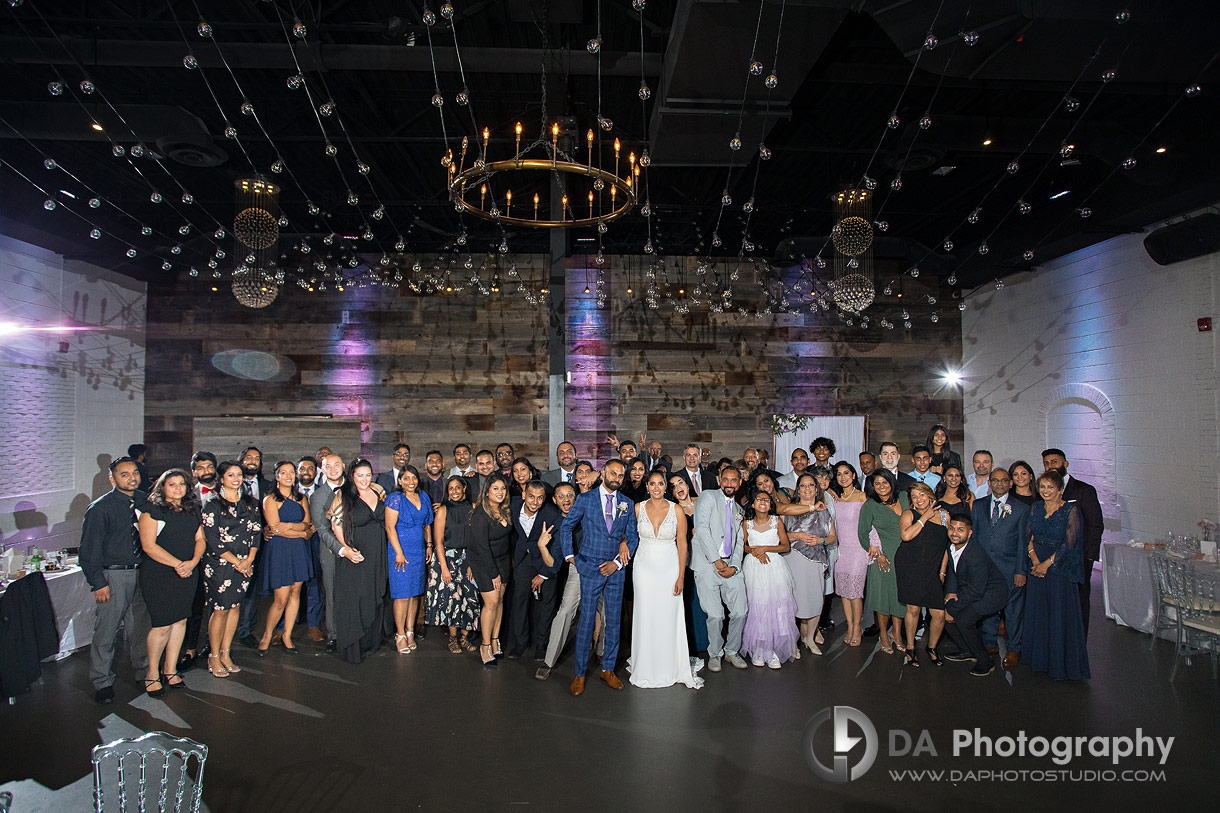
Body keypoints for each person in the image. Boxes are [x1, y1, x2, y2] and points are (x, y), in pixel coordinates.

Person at [560, 459, 640, 695]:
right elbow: (567, 527)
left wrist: (617, 563)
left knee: (613, 621)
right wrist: (570, 557)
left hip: (615, 570)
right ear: (603, 473)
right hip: (589, 567)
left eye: (621, 474)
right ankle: (580, 673)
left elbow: (632, 537)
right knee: (585, 622)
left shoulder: (626, 503)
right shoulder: (585, 499)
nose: (617, 477)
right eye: (613, 473)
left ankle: (608, 669)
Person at [80, 457, 150, 704]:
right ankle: (102, 681)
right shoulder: (100, 508)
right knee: (107, 630)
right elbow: (89, 550)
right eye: (124, 474)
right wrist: (98, 582)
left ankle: (144, 672)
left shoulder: (146, 500)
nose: (131, 477)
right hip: (114, 575)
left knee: (141, 627)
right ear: (113, 478)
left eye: (134, 473)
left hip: (143, 572)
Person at [628, 471, 700, 688]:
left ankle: (670, 664)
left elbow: (683, 544)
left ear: (665, 487)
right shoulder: (637, 508)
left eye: (661, 484)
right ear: (647, 486)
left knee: (669, 614)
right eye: (653, 484)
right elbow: (629, 536)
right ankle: (646, 664)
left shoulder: (676, 510)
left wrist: (681, 575)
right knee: (645, 613)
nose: (657, 487)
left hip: (669, 567)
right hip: (643, 568)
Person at [137, 470, 205, 696]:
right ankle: (152, 674)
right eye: (172, 484)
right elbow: (149, 546)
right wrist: (179, 564)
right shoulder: (152, 510)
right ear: (162, 487)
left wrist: (193, 562)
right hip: (160, 574)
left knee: (180, 622)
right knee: (162, 624)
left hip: (188, 571)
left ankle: (170, 670)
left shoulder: (193, 509)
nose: (177, 488)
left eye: (181, 484)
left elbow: (200, 539)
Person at [1024, 470, 1091, 680]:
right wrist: (1035, 561)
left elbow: (1070, 543)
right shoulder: (1035, 507)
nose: (1045, 491)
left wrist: (1047, 564)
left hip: (1060, 567)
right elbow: (1029, 536)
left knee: (1058, 613)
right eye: (1042, 487)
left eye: (1050, 487)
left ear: (1060, 489)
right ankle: (1040, 659)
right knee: (1040, 611)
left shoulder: (1070, 510)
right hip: (1037, 564)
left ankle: (1060, 664)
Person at [535, 482, 603, 681]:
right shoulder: (556, 525)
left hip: (601, 567)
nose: (566, 499)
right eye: (561, 496)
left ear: (576, 497)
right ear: (555, 500)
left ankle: (602, 655)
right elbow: (554, 564)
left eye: (570, 495)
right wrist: (542, 547)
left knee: (606, 612)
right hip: (578, 570)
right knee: (565, 611)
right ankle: (548, 661)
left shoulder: (590, 512)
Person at [200, 461, 261, 677]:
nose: (236, 478)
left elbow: (256, 533)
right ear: (222, 479)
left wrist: (249, 559)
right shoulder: (212, 505)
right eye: (231, 475)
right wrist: (237, 561)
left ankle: (226, 653)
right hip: (220, 564)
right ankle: (213, 656)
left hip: (245, 564)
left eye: (239, 475)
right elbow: (212, 540)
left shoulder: (251, 504)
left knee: (235, 608)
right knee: (220, 609)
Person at [328, 459, 389, 664]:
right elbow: (336, 524)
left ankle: (370, 642)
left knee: (373, 594)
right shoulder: (343, 495)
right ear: (352, 476)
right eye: (360, 475)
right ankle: (353, 644)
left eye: (368, 475)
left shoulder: (379, 491)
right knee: (355, 598)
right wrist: (347, 549)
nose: (364, 479)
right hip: (356, 554)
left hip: (377, 553)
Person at [689, 467, 749, 672]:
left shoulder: (740, 509)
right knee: (715, 615)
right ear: (719, 480)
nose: (729, 484)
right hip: (707, 565)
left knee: (741, 611)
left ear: (739, 483)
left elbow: (740, 540)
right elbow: (702, 528)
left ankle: (732, 651)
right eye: (726, 480)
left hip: (731, 566)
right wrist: (716, 561)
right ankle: (715, 653)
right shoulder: (708, 496)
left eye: (734, 480)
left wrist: (734, 565)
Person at [971, 469, 1030, 668]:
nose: (999, 484)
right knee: (988, 608)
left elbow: (1023, 543)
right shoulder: (978, 506)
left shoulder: (1021, 509)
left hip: (1010, 568)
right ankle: (989, 643)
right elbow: (975, 540)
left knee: (1013, 610)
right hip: (986, 569)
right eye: (995, 480)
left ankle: (1014, 648)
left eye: (1004, 480)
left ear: (1010, 484)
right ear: (989, 483)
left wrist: (1021, 571)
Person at [1042, 448, 1104, 637]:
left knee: (1079, 602)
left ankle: (1078, 645)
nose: (1051, 466)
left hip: (1078, 559)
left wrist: (1089, 557)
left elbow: (1095, 524)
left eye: (1055, 462)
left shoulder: (1084, 490)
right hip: (1052, 559)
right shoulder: (1044, 491)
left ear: (1065, 464)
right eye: (1046, 463)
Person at [942, 514, 1010, 677]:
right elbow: (952, 570)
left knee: (963, 620)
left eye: (960, 530)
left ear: (970, 533)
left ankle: (986, 662)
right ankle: (968, 651)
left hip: (992, 594)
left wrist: (953, 609)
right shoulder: (952, 546)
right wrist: (951, 592)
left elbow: (976, 591)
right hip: (973, 590)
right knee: (942, 615)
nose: (954, 533)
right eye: (952, 528)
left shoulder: (975, 555)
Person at [257, 461, 314, 656]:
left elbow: (307, 525)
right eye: (284, 472)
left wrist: (289, 527)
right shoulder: (270, 499)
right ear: (277, 476)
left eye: (291, 472)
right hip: (280, 549)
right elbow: (274, 529)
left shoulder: (301, 498)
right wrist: (298, 530)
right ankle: (267, 635)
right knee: (280, 598)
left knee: (296, 592)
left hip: (299, 549)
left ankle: (287, 636)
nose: (289, 475)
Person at [776, 474, 836, 655]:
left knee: (815, 598)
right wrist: (798, 536)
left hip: (816, 559)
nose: (807, 489)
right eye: (803, 486)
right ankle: (792, 642)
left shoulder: (823, 511)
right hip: (793, 557)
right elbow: (779, 535)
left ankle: (809, 638)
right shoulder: (788, 509)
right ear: (798, 488)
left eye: (811, 485)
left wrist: (820, 540)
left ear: (817, 489)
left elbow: (833, 537)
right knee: (793, 600)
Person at [739, 490, 798, 668]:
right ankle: (759, 647)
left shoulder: (776, 521)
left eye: (766, 500)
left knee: (775, 605)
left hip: (774, 567)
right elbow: (742, 546)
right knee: (757, 605)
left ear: (771, 504)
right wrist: (755, 552)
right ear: (753, 503)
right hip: (754, 568)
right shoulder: (746, 523)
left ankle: (772, 649)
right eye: (759, 499)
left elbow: (785, 546)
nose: (763, 502)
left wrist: (765, 548)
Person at [895, 483, 950, 667]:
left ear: (930, 495)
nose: (919, 499)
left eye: (922, 495)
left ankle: (932, 647)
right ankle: (911, 648)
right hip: (910, 567)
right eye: (914, 496)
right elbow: (906, 536)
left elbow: (945, 547)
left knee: (939, 614)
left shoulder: (944, 516)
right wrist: (925, 517)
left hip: (931, 569)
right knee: (913, 609)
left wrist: (942, 570)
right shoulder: (908, 514)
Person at [507, 480, 562, 660]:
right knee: (519, 601)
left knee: (546, 605)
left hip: (545, 562)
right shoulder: (513, 505)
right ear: (523, 495)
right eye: (531, 496)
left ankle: (541, 644)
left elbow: (556, 550)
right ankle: (520, 643)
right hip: (522, 560)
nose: (535, 502)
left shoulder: (553, 514)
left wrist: (544, 574)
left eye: (540, 498)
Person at [426, 476, 480, 654]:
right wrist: (443, 567)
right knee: (452, 600)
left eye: (458, 488)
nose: (455, 491)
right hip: (447, 558)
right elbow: (438, 541)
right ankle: (453, 638)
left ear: (464, 488)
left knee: (470, 598)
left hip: (468, 558)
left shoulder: (473, 508)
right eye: (451, 488)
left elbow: (475, 539)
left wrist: (472, 563)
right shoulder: (443, 510)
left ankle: (464, 637)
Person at [859, 469, 909, 654]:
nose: (881, 487)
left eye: (885, 482)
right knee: (883, 599)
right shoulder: (870, 506)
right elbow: (862, 534)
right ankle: (883, 635)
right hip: (883, 559)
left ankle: (897, 633)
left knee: (900, 598)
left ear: (892, 482)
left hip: (905, 558)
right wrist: (877, 554)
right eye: (877, 483)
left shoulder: (904, 497)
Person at [384, 465, 433, 654]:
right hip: (400, 551)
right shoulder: (395, 499)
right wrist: (398, 552)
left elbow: (428, 524)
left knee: (414, 594)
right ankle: (400, 634)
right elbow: (390, 527)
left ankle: (411, 631)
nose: (411, 481)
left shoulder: (424, 497)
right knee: (402, 594)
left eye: (414, 478)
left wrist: (428, 546)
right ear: (400, 481)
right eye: (406, 478)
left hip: (418, 551)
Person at [467, 473, 514, 667]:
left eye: (503, 489)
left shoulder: (505, 510)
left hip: (502, 560)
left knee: (500, 600)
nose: (500, 492)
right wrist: (493, 573)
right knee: (491, 602)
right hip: (484, 562)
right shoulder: (480, 514)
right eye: (495, 489)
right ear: (486, 492)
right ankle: (484, 645)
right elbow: (482, 547)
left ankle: (495, 641)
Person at [235, 445, 273, 647]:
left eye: (257, 458)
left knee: (251, 590)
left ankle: (245, 630)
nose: (253, 461)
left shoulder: (268, 485)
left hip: (258, 545)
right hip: (232, 547)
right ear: (241, 460)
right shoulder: (231, 483)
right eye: (249, 457)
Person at [829, 462, 869, 646]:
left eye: (846, 473)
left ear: (854, 475)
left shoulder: (862, 497)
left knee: (855, 592)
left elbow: (871, 523)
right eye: (839, 474)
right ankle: (850, 626)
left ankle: (857, 627)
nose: (843, 477)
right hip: (840, 550)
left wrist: (873, 547)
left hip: (858, 550)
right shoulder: (834, 498)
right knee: (844, 592)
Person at [667, 473, 708, 655]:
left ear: (687, 484)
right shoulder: (673, 510)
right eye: (674, 486)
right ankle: (693, 645)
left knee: (707, 601)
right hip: (687, 559)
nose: (678, 487)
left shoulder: (703, 501)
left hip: (709, 558)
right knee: (690, 601)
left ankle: (710, 641)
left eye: (680, 483)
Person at [309, 454, 345, 652]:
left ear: (343, 466)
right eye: (327, 466)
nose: (332, 469)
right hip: (331, 551)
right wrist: (342, 549)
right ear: (322, 470)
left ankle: (352, 631)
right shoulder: (318, 496)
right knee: (331, 593)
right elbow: (322, 530)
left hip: (355, 550)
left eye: (336, 465)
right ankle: (334, 635)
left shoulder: (354, 489)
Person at [295, 456, 325, 643]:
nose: (306, 472)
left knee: (315, 585)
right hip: (293, 544)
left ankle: (314, 625)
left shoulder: (323, 493)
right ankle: (283, 628)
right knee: (290, 586)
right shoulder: (287, 493)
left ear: (316, 472)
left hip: (316, 544)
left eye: (310, 469)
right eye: (302, 469)